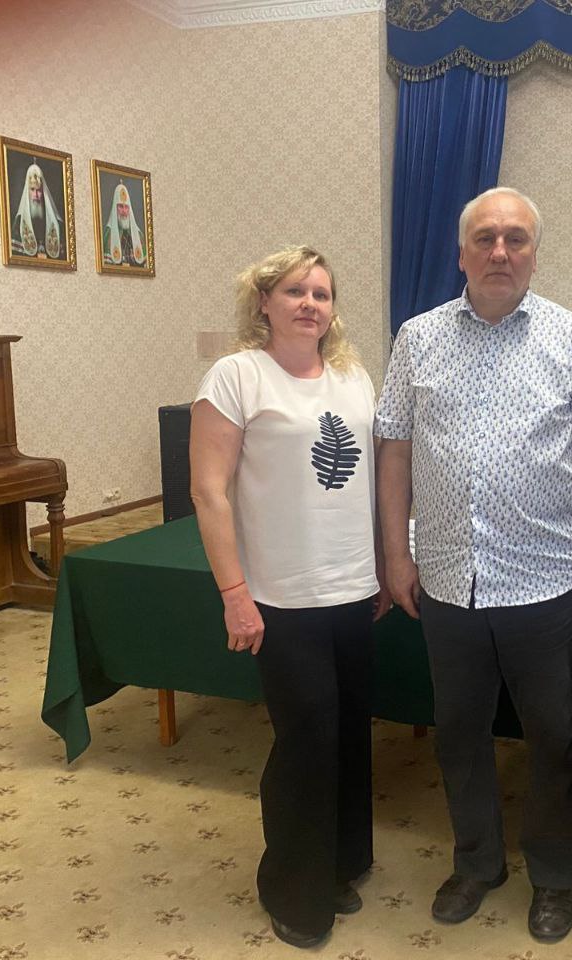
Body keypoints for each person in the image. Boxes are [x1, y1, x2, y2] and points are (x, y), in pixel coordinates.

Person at [375, 186, 572, 943]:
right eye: (485, 238)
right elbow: (394, 451)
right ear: (461, 253)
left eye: (515, 238)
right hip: (447, 580)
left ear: (535, 253)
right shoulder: (416, 338)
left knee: (552, 737)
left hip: (546, 580)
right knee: (459, 735)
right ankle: (477, 863)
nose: (500, 251)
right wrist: (396, 554)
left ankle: (553, 874)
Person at [189, 245, 390, 949]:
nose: (310, 304)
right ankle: (293, 889)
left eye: (322, 294)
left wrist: (381, 566)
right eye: (296, 291)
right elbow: (209, 492)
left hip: (353, 589)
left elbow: (372, 479)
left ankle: (339, 864)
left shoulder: (353, 377)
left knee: (349, 735)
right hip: (281, 596)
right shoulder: (236, 376)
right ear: (264, 302)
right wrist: (234, 593)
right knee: (305, 741)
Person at [11, 162, 65, 259]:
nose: (35, 195)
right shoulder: (18, 223)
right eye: (32, 190)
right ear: (27, 192)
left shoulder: (57, 224)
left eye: (39, 190)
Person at [102, 181, 145, 265]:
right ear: (115, 208)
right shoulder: (109, 233)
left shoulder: (139, 235)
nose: (124, 211)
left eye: (126, 207)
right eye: (121, 206)